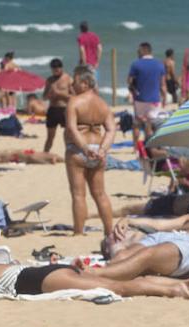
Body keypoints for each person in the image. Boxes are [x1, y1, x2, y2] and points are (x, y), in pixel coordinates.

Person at [0, 258, 189, 300]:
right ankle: (179, 284)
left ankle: (173, 290)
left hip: (38, 280)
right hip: (46, 270)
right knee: (111, 284)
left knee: (117, 288)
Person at [65, 68, 116, 237]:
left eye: (76, 81)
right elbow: (111, 130)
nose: (72, 84)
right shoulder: (103, 104)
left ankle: (79, 232)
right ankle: (109, 231)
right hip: (98, 151)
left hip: (79, 150)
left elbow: (72, 128)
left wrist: (85, 148)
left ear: (85, 83)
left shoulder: (74, 102)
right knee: (100, 194)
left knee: (79, 194)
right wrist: (102, 150)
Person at [128, 43, 166, 144]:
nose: (137, 53)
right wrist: (165, 97)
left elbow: (129, 81)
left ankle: (135, 148)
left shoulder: (136, 64)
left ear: (143, 51)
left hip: (140, 98)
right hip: (154, 100)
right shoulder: (159, 64)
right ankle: (149, 145)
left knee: (137, 123)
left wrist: (133, 89)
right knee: (150, 123)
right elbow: (163, 85)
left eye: (138, 51)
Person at [42, 59, 72, 153]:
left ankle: (70, 155)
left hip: (64, 109)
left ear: (61, 68)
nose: (56, 71)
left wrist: (60, 94)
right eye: (54, 70)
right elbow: (44, 97)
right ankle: (45, 154)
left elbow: (74, 97)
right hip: (52, 110)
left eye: (58, 69)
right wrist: (50, 94)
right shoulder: (49, 80)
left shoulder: (68, 79)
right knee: (50, 136)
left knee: (68, 136)